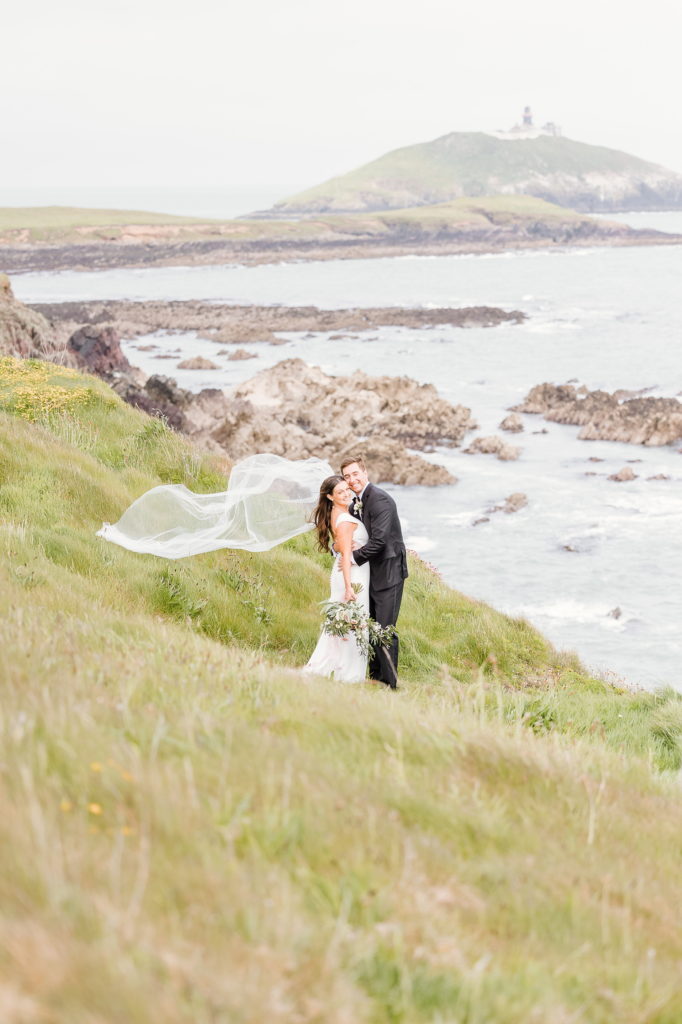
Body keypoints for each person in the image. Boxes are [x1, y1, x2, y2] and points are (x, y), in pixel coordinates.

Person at [341, 454, 408, 689]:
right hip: (369, 573)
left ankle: (389, 684)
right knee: (370, 626)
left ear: (365, 473)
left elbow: (379, 541)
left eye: (355, 474)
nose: (351, 479)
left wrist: (351, 559)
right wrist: (339, 548)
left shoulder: (380, 500)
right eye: (347, 476)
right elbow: (350, 535)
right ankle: (374, 678)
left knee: (385, 629)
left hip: (389, 573)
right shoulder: (354, 504)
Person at [303, 475, 370, 684]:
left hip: (346, 571)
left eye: (346, 489)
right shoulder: (345, 520)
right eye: (340, 492)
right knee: (354, 621)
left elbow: (341, 547)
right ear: (330, 496)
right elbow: (347, 556)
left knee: (342, 621)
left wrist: (340, 549)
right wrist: (349, 587)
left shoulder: (336, 513)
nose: (346, 494)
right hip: (352, 575)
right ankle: (349, 674)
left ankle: (336, 666)